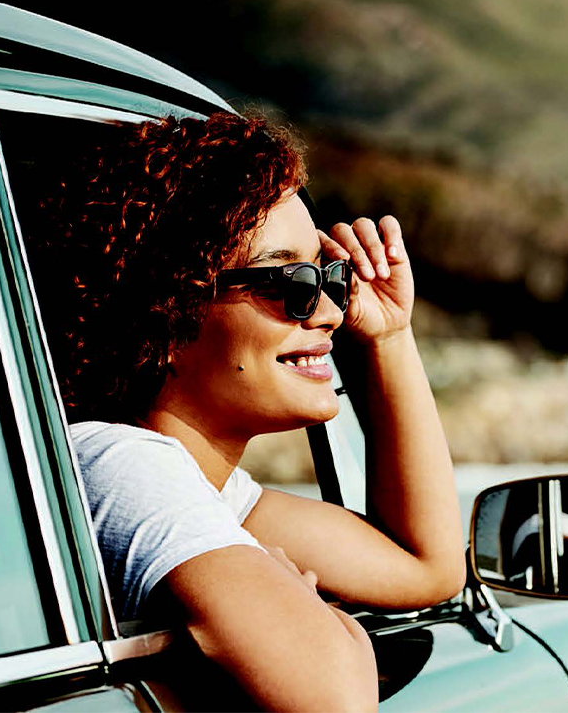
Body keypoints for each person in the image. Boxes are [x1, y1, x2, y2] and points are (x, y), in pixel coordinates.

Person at [31, 112, 465, 712]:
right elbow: (334, 701)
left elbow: (426, 570)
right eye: (287, 280)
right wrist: (323, 622)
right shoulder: (119, 465)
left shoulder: (209, 493)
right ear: (167, 304)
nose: (331, 312)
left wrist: (389, 338)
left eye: (331, 277)